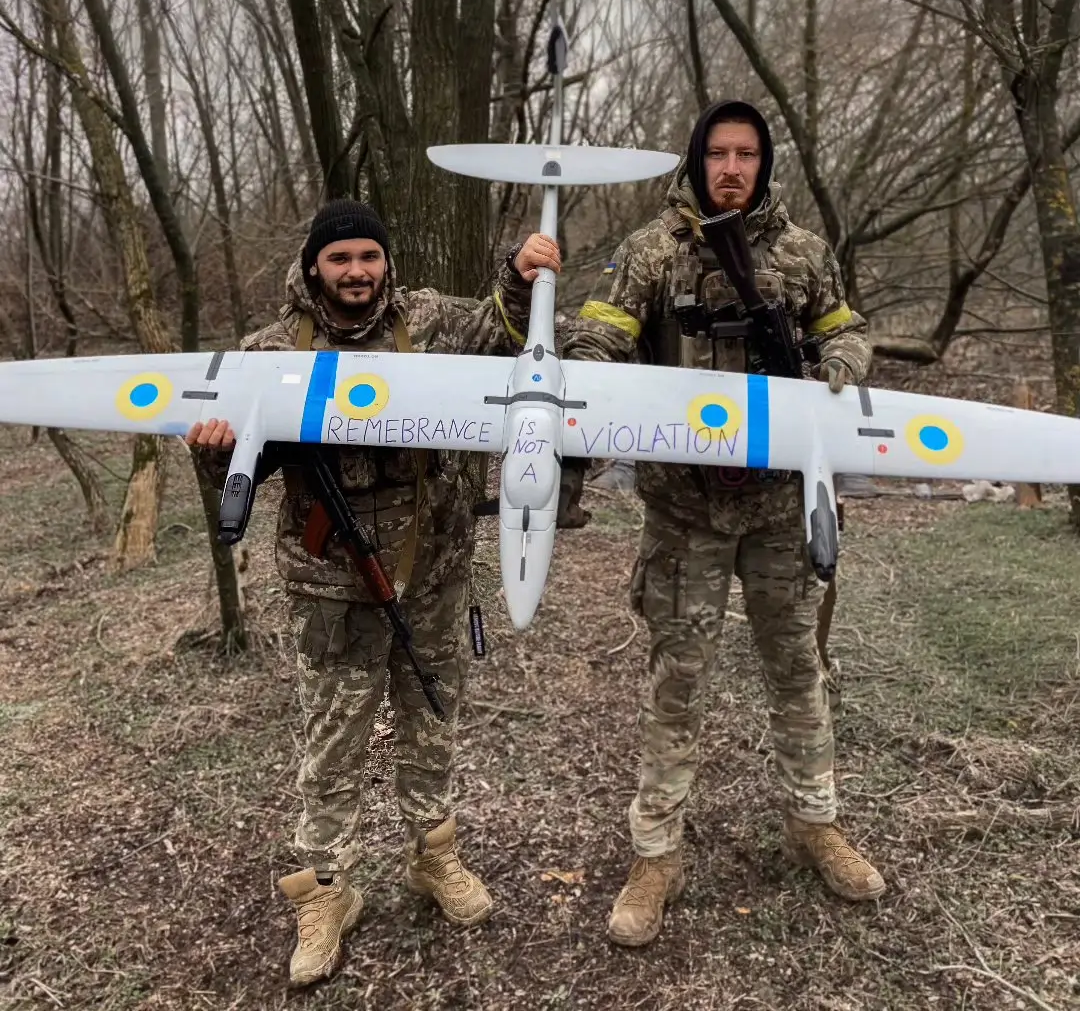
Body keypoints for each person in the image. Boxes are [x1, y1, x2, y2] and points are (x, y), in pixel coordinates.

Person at [187, 199, 559, 986]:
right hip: (333, 586)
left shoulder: (427, 320)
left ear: (386, 262)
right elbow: (238, 477)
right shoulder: (268, 352)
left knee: (431, 721)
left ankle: (434, 857)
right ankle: (326, 891)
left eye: (368, 257)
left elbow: (503, 324)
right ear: (313, 267)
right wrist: (215, 452)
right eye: (340, 259)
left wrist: (523, 275)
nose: (357, 272)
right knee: (333, 744)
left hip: (432, 573)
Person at [558, 100, 883, 948]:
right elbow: (598, 341)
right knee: (678, 679)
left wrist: (843, 358)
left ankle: (816, 822)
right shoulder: (652, 252)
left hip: (778, 507)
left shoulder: (803, 251)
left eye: (746, 154)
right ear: (697, 160)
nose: (732, 167)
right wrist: (587, 385)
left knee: (798, 668)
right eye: (718, 153)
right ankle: (655, 854)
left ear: (762, 163)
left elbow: (844, 325)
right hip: (685, 511)